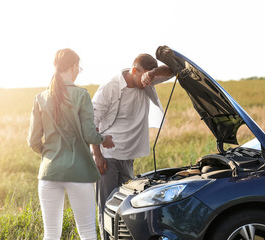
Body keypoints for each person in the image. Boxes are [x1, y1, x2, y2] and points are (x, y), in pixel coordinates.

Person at [27, 48, 114, 240]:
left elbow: (33, 141)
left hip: (49, 173)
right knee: (88, 233)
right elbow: (90, 135)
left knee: (50, 233)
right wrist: (104, 140)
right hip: (79, 173)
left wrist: (50, 154)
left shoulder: (40, 98)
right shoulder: (81, 95)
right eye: (79, 67)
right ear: (74, 66)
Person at [91, 53, 173, 239]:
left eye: (149, 79)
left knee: (128, 207)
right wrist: (97, 155)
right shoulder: (111, 87)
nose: (146, 84)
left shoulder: (147, 80)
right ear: (134, 70)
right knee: (106, 206)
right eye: (144, 76)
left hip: (128, 157)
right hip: (107, 156)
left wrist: (152, 74)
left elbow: (172, 71)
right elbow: (91, 120)